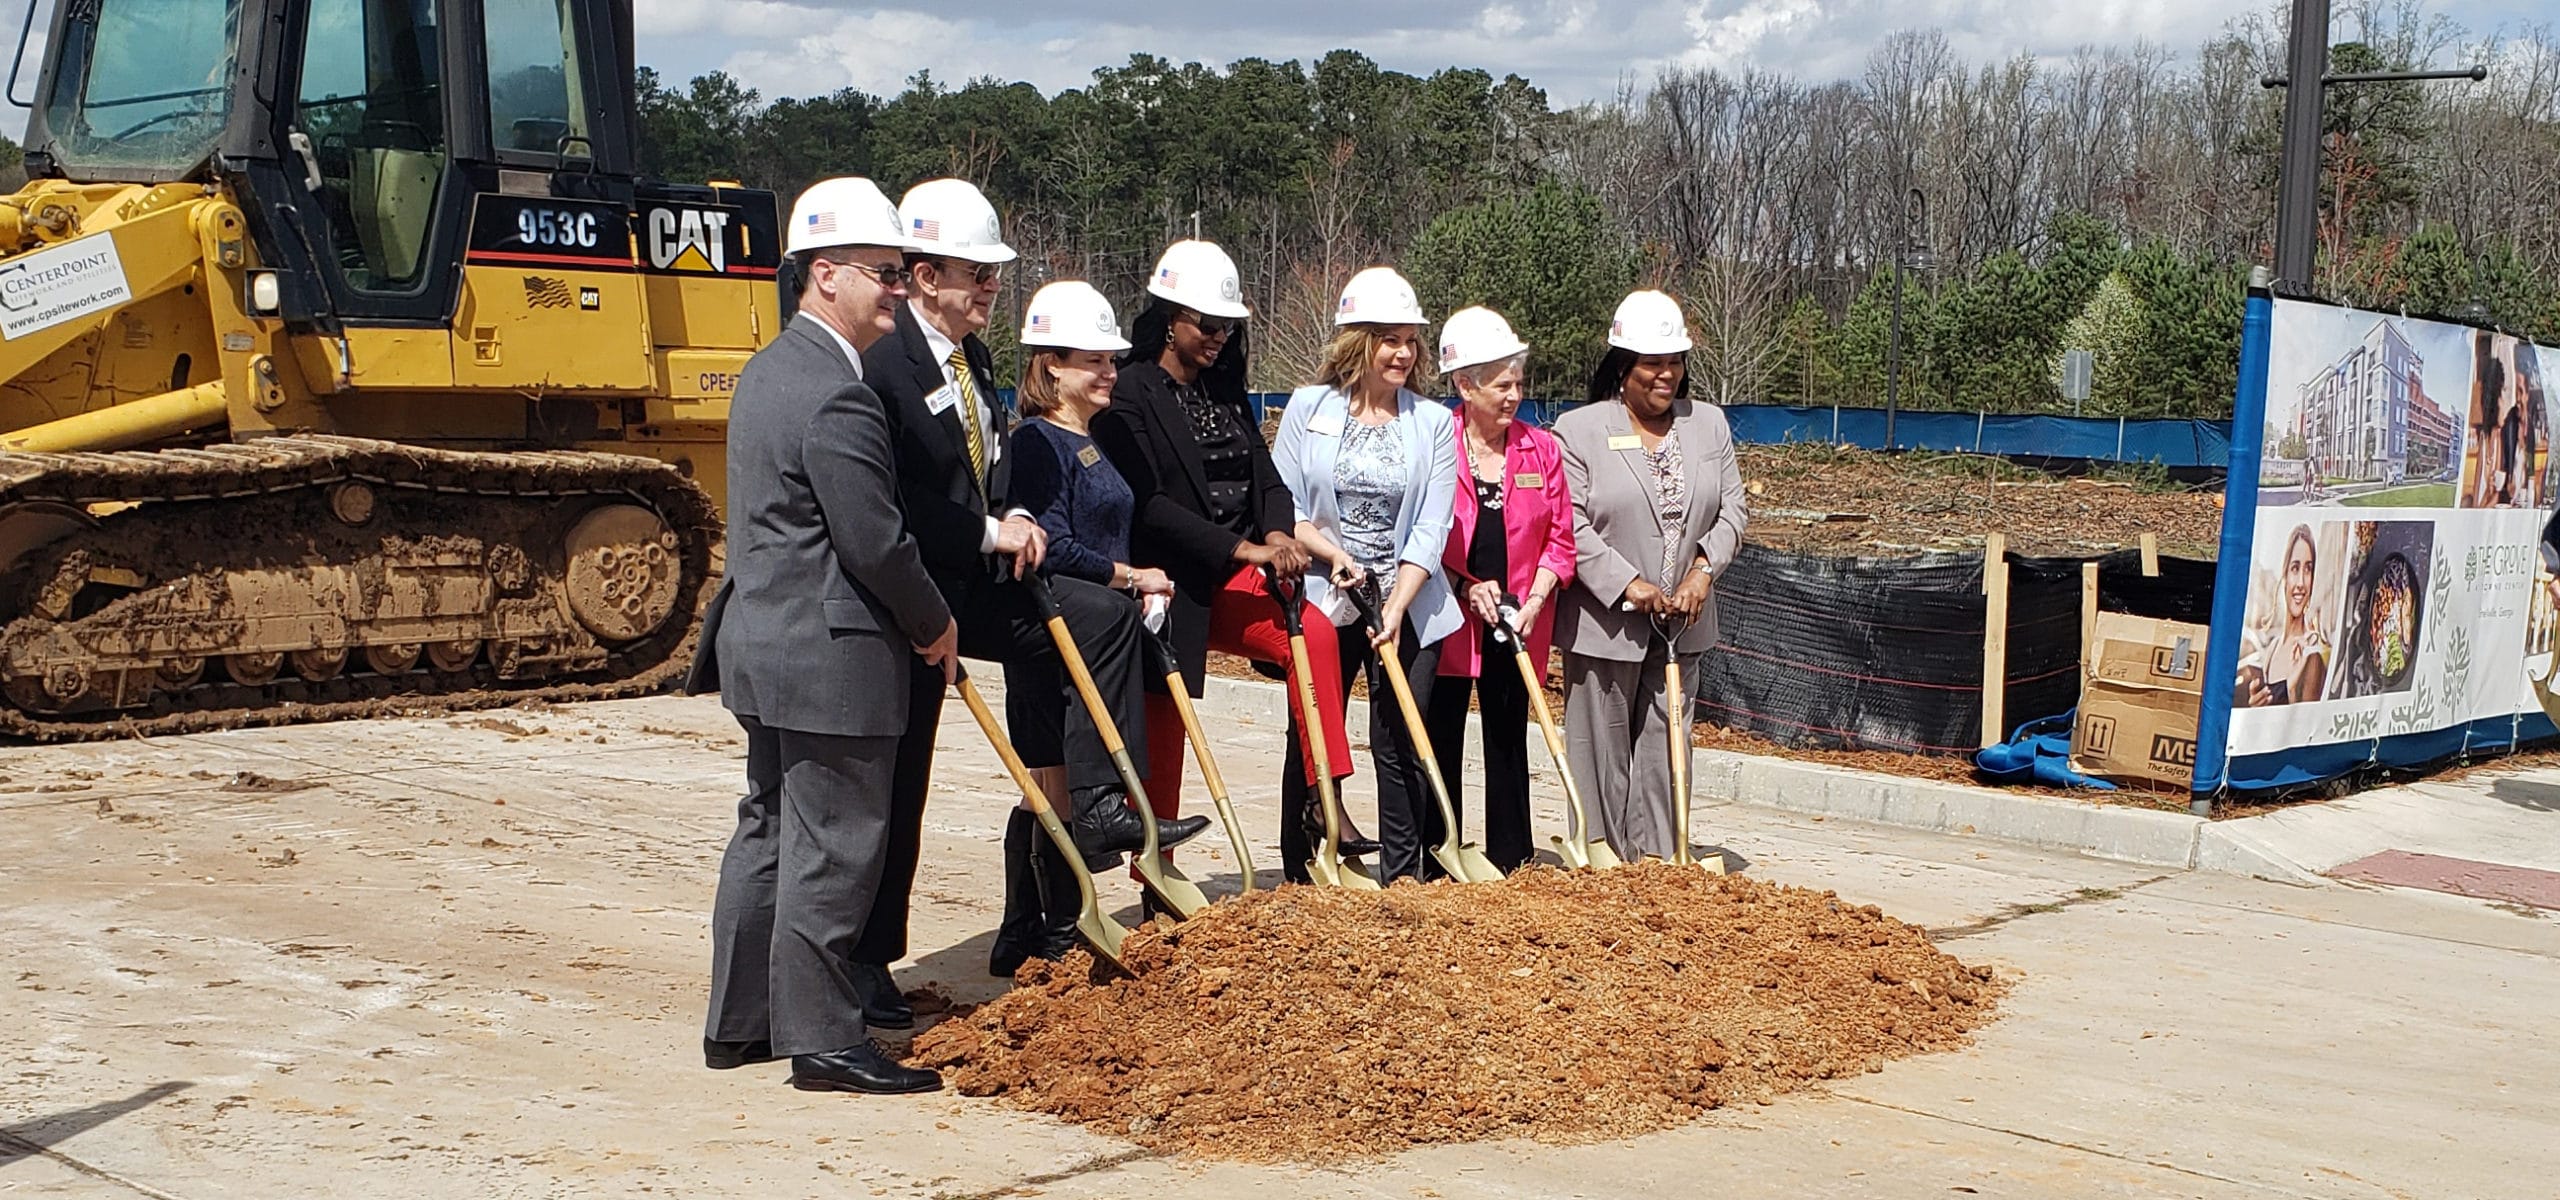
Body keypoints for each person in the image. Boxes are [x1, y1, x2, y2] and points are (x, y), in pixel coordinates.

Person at [860, 181, 1206, 978]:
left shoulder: (970, 361)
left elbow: (994, 477)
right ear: (924, 278)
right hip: (921, 580)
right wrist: (1016, 535)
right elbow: (907, 494)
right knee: (891, 795)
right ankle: (1088, 823)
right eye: (976, 274)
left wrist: (1007, 524)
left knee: (1090, 641)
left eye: (991, 275)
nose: (990, 288)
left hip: (987, 575)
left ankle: (1066, 869)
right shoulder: (887, 365)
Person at [686, 176, 947, 1095]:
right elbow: (873, 538)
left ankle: (741, 1025)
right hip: (831, 655)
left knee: (767, 830)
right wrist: (935, 621)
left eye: (904, 274)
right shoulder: (839, 392)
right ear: (825, 274)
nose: (899, 291)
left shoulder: (768, 370)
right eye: (884, 273)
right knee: (833, 845)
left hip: (764, 645)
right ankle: (826, 1040)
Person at [1091, 240, 1371, 888]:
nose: (1219, 338)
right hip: (1170, 582)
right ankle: (1155, 861)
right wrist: (1245, 549)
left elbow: (1267, 480)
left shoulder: (1223, 393)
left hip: (1241, 574)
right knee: (1165, 712)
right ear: (1169, 319)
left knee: (1315, 638)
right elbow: (1148, 505)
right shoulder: (1129, 394)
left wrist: (1278, 537)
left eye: (1227, 327)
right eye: (1207, 326)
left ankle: (1324, 806)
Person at [989, 281, 1179, 969]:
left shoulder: (1085, 439)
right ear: (1052, 367)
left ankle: (1028, 932)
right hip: (1059, 625)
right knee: (1051, 780)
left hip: (1092, 625)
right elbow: (1052, 541)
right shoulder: (1038, 443)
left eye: (1112, 361)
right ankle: (1054, 931)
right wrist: (1129, 578)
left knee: (1051, 782)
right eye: (1094, 361)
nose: (1109, 374)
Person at [1270, 267, 1460, 883]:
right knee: (1314, 730)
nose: (1403, 352)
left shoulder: (1432, 422)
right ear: (1356, 342)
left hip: (1409, 601)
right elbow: (1284, 507)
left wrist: (1400, 603)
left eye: (1410, 340)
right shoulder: (1308, 407)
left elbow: (1432, 525)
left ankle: (1401, 876)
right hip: (1329, 595)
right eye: (1388, 339)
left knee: (1400, 737)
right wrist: (1333, 556)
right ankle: (1299, 868)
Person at [1553, 290, 1747, 864]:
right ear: (1622, 367)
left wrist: (1703, 571)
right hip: (1605, 624)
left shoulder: (1707, 425)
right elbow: (1571, 522)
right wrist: (1627, 584)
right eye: (1652, 364)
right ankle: (1600, 859)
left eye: (1675, 362)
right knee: (1600, 752)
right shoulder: (1580, 429)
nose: (1666, 375)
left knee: (1668, 750)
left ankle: (1662, 863)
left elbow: (1733, 510)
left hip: (1682, 622)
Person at [1422, 308, 1575, 874]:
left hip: (1518, 625)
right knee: (1441, 737)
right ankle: (1438, 855)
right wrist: (1463, 585)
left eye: (1518, 382)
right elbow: (1425, 534)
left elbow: (1561, 540)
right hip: (1451, 621)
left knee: (1508, 740)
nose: (1514, 395)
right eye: (1501, 384)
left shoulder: (1542, 450)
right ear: (1465, 385)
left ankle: (1511, 856)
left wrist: (1534, 600)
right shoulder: (1438, 443)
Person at [2239, 525, 2329, 707]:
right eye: (2295, 568)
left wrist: (2292, 687)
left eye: (2308, 570)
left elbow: (2307, 728)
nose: (2301, 583)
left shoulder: (2312, 654)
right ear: (2285, 575)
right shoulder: (2272, 649)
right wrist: (2255, 704)